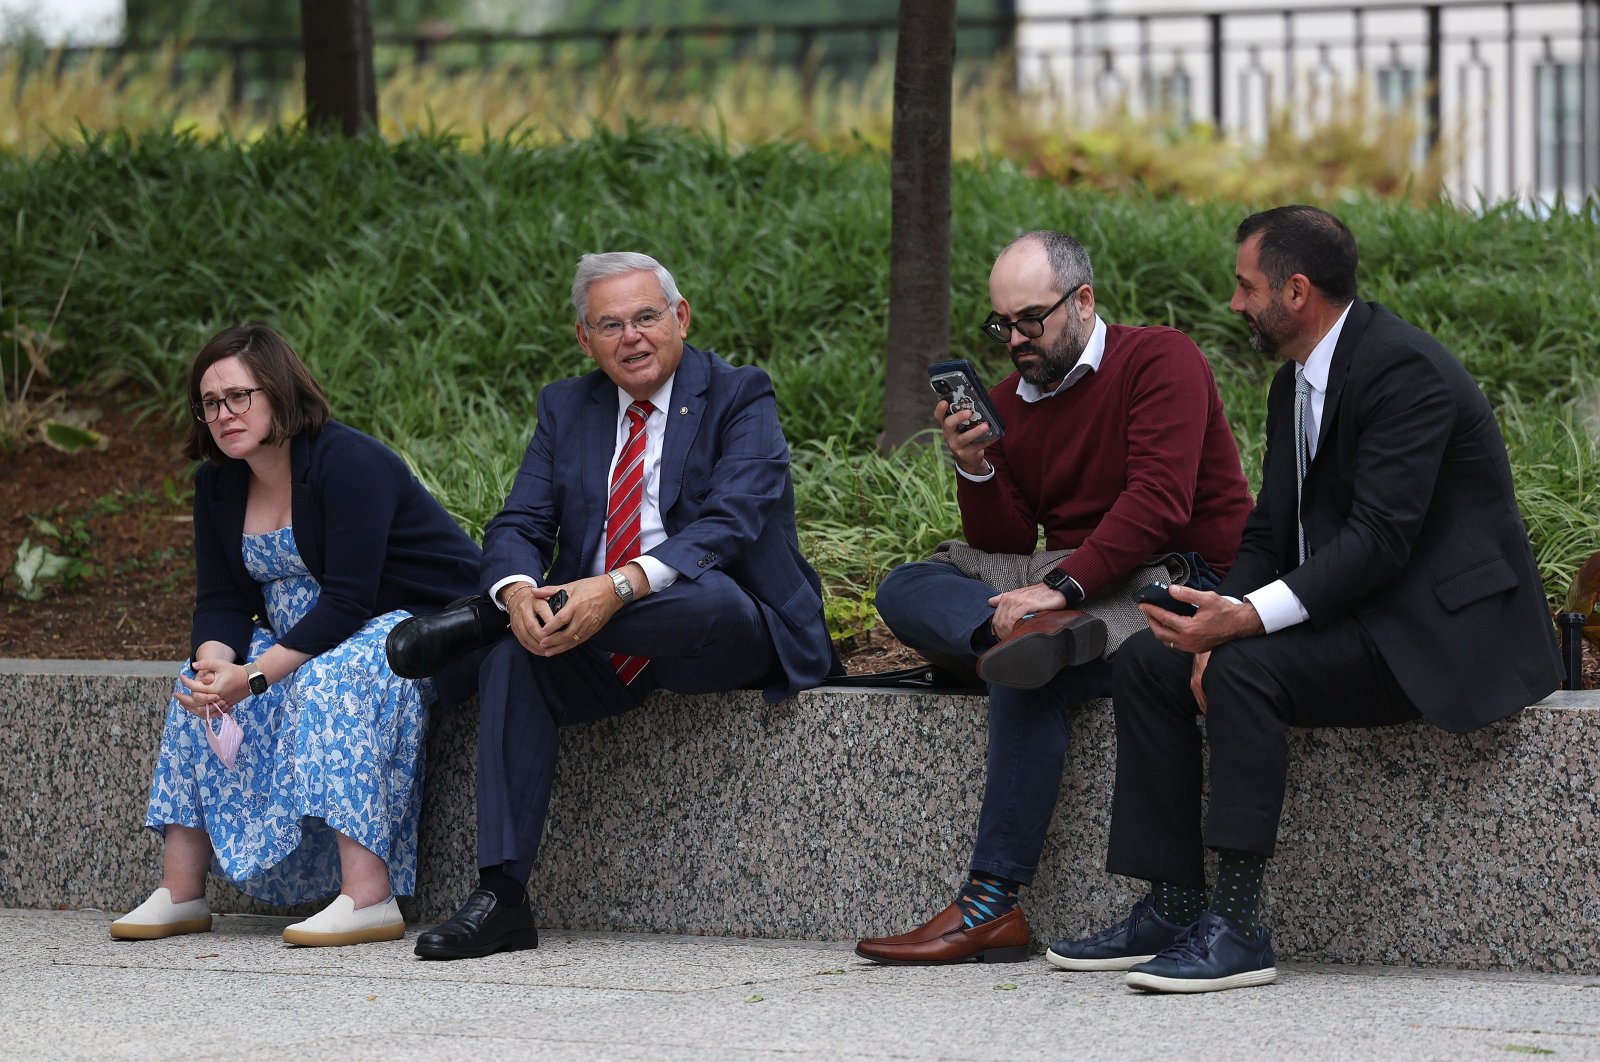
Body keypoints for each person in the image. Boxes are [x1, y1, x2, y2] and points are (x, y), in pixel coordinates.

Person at [1049, 205, 1563, 993]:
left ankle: (1240, 926)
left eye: (1244, 286)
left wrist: (1244, 625)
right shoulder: (1298, 379)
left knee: (1242, 671)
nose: (1233, 303)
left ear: (1296, 290)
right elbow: (1269, 530)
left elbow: (1379, 541)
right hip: (1359, 614)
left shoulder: (1404, 372)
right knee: (1152, 659)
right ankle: (1174, 903)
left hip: (1434, 634)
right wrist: (1209, 612)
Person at [412, 251, 837, 960]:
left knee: (708, 598)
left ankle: (484, 621)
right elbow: (519, 523)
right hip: (598, 642)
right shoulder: (567, 406)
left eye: (646, 317)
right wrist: (519, 592)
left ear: (681, 318)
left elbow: (731, 521)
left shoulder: (740, 395)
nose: (632, 337)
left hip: (728, 628)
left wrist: (615, 586)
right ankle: (502, 897)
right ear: (585, 340)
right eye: (610, 325)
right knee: (513, 662)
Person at [854, 231, 1254, 965]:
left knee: (1030, 674)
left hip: (1172, 577)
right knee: (911, 585)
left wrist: (1058, 587)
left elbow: (1160, 503)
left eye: (1030, 319)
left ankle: (988, 907)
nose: (1014, 339)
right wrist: (976, 466)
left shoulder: (1161, 360)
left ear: (1084, 301)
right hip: (1064, 579)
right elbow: (1007, 539)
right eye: (1001, 324)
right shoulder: (1009, 402)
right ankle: (1014, 644)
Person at [111, 324, 483, 947]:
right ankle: (180, 892)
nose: (223, 414)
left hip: (419, 627)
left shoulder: (349, 463)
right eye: (210, 403)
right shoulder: (218, 485)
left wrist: (254, 676)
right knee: (195, 683)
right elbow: (222, 600)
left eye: (239, 396)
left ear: (280, 392)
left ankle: (370, 895)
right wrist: (215, 669)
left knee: (334, 676)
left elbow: (348, 601)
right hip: (310, 635)